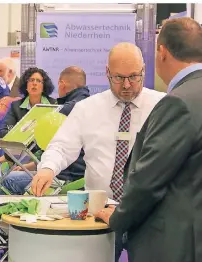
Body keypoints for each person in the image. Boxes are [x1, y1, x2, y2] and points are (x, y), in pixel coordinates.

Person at [31, 42, 166, 261]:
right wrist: (47, 169)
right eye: (119, 78)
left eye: (134, 76)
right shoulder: (87, 108)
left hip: (148, 214)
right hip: (100, 213)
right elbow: (62, 146)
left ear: (143, 71)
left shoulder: (162, 106)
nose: (127, 85)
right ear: (107, 73)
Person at [95, 17, 202, 262]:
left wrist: (117, 217)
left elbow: (149, 180)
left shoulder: (179, 103)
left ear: (162, 52)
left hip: (175, 243)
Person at [0, 67, 89, 250]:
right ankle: (12, 231)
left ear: (58, 84)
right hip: (58, 169)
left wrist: (26, 162)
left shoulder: (61, 108)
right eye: (31, 81)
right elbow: (11, 134)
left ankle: (8, 232)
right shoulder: (80, 104)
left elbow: (46, 144)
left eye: (38, 81)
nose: (35, 84)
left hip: (64, 175)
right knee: (13, 178)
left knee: (9, 181)